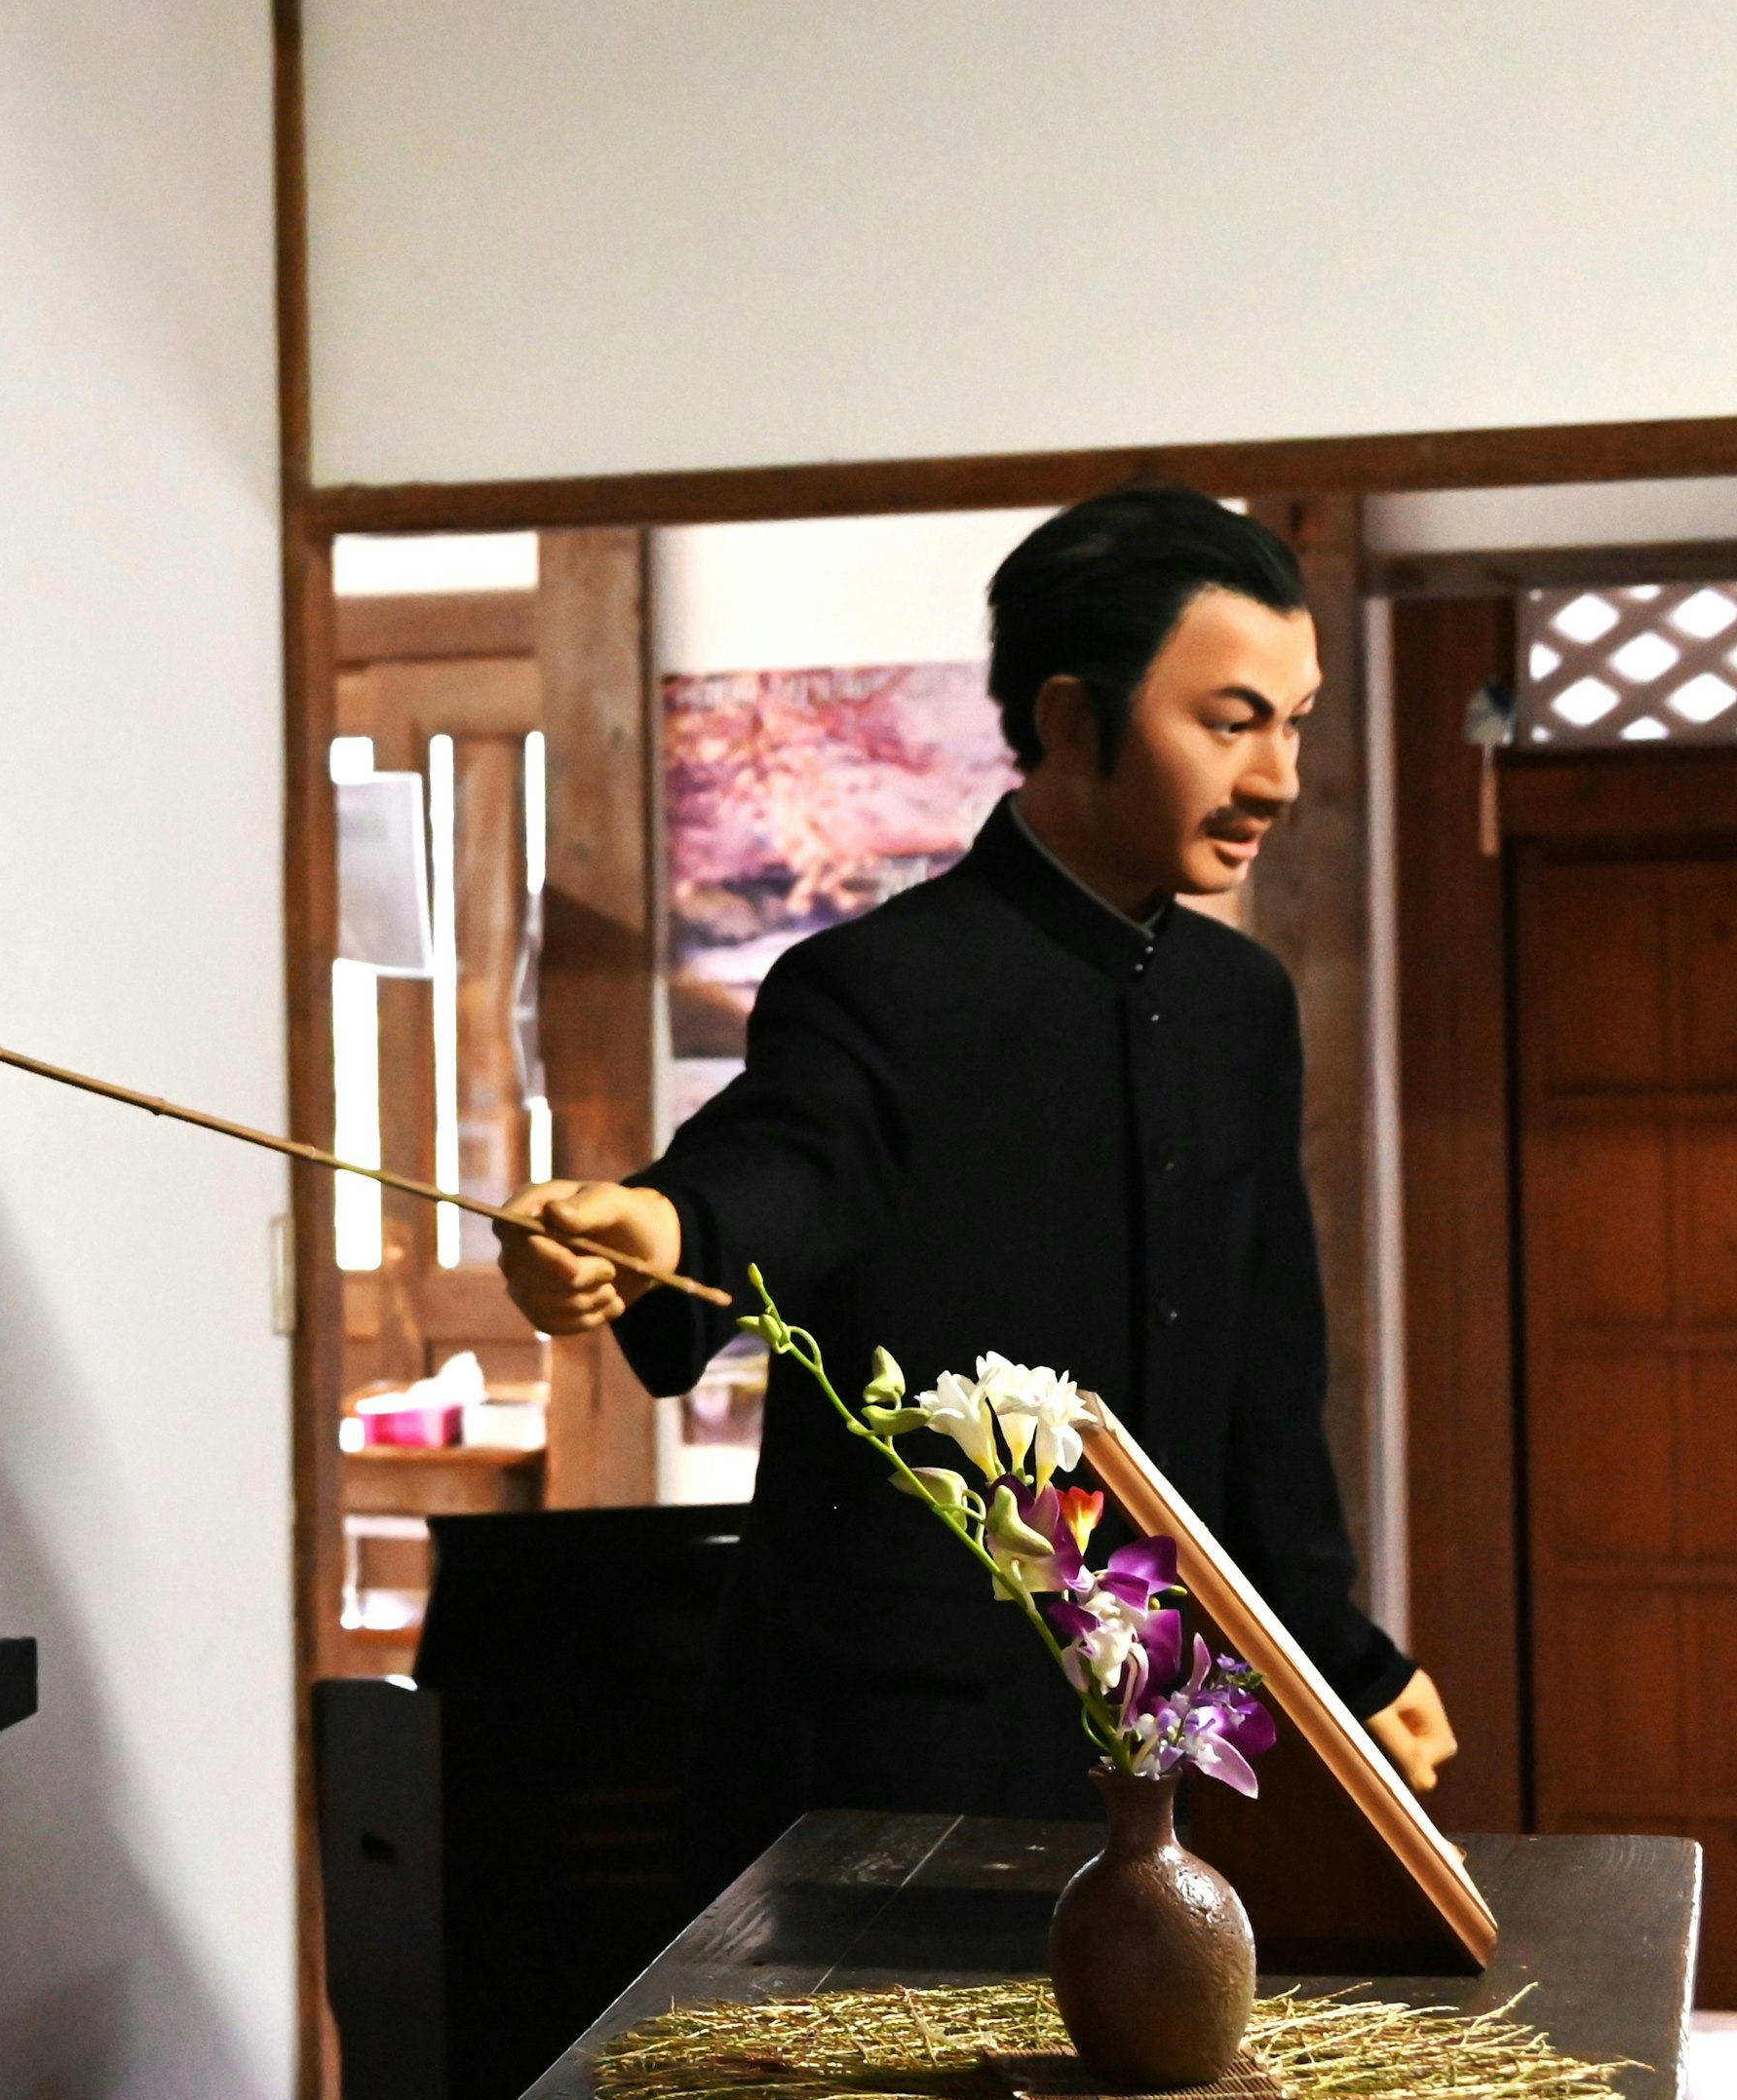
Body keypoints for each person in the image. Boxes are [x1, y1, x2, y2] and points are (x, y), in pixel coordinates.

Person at [496, 487, 1455, 1881]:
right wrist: (654, 1227)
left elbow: (1263, 1393)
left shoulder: (1242, 1003)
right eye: (1232, 722)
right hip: (899, 1751)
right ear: (1072, 720)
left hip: (1168, 1720)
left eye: (1290, 722)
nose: (1278, 778)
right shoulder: (882, 983)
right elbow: (785, 1161)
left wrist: (1345, 1658)